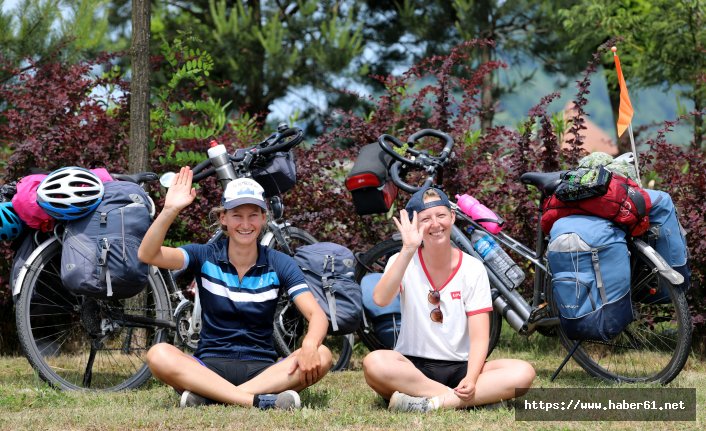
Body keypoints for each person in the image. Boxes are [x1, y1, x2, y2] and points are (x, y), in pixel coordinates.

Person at [138, 167, 332, 409]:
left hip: (263, 370)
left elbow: (317, 316)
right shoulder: (204, 255)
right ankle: (258, 401)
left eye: (253, 215)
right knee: (158, 354)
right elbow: (148, 254)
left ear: (264, 219)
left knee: (322, 354)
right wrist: (170, 209)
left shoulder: (280, 263)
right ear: (224, 219)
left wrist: (310, 345)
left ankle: (213, 396)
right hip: (208, 366)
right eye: (237, 215)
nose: (245, 224)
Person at [362, 186, 535, 412]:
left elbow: (480, 337)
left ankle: (431, 404)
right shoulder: (402, 259)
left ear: (452, 217)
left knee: (523, 372)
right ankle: (463, 400)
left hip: (461, 368)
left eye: (441, 215)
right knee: (374, 363)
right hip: (413, 369)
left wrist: (472, 379)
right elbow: (381, 299)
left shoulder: (473, 268)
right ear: (415, 225)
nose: (435, 224)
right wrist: (407, 249)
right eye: (425, 219)